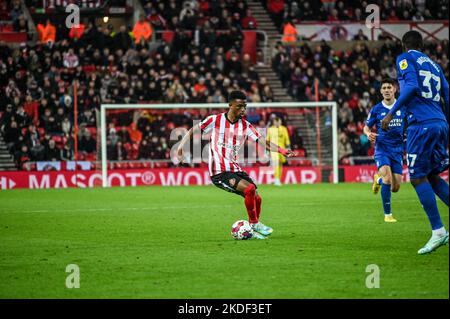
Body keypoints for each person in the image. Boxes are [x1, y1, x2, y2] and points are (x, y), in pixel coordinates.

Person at [176, 91, 295, 239]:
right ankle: (254, 224)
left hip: (234, 168)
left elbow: (264, 142)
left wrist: (283, 150)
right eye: (239, 106)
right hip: (219, 172)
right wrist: (180, 147)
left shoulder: (245, 126)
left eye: (245, 106)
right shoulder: (215, 120)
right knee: (250, 189)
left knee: (257, 197)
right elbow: (193, 130)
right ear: (230, 105)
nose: (243, 110)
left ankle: (253, 229)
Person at [381, 31, 449, 254]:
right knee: (431, 176)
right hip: (439, 122)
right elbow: (447, 94)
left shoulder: (405, 58)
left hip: (421, 124)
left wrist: (391, 113)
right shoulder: (435, 65)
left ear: (404, 45)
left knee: (418, 177)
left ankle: (438, 231)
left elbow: (410, 87)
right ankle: (439, 230)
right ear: (422, 45)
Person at [364, 78, 405, 223]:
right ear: (381, 91)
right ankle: (388, 215)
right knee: (388, 178)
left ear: (395, 89)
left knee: (396, 187)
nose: (387, 90)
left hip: (398, 150)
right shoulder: (376, 109)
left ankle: (378, 179)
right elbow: (366, 127)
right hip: (382, 148)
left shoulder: (402, 106)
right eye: (384, 88)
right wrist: (368, 134)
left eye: (389, 87)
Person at [267, 116, 291, 186]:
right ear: (274, 122)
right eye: (276, 121)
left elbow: (287, 139)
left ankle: (278, 179)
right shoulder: (270, 129)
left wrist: (289, 148)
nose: (277, 122)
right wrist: (267, 151)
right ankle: (276, 179)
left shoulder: (284, 129)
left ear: (280, 122)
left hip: (282, 150)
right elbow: (267, 140)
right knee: (276, 163)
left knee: (280, 164)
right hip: (273, 149)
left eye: (278, 121)